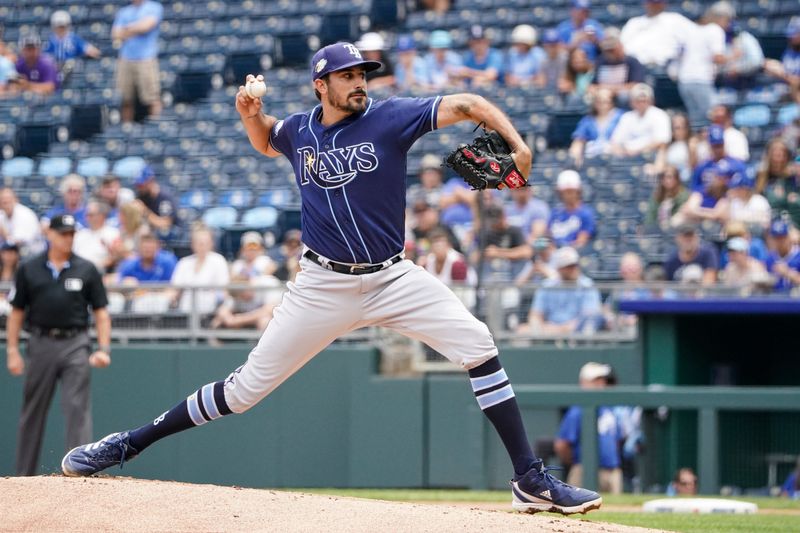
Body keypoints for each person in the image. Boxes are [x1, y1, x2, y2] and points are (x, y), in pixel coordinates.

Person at [61, 41, 602, 515]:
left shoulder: (391, 118)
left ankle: (529, 479)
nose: (359, 82)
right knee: (245, 391)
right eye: (348, 76)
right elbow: (265, 138)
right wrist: (249, 113)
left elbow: (467, 105)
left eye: (363, 74)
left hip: (394, 277)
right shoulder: (299, 130)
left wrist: (517, 141)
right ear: (322, 84)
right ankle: (125, 445)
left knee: (479, 343)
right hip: (321, 285)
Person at [6, 214, 111, 476]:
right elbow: (17, 312)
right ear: (50, 234)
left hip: (75, 342)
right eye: (63, 233)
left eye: (71, 233)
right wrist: (11, 351)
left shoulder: (86, 268)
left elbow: (101, 313)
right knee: (32, 411)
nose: (68, 238)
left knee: (77, 409)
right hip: (40, 342)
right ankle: (23, 477)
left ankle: (78, 472)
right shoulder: (29, 268)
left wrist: (103, 348)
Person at [554, 362, 623, 494]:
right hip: (584, 471)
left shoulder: (609, 409)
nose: (601, 384)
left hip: (612, 470)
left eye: (602, 380)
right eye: (596, 380)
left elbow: (617, 440)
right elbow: (562, 445)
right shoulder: (577, 411)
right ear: (584, 382)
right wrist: (577, 464)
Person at [521, 247, 603, 335]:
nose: (573, 269)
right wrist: (539, 327)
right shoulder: (547, 286)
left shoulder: (587, 285)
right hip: (548, 332)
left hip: (576, 334)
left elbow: (588, 316)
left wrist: (558, 329)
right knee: (522, 331)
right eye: (568, 266)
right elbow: (535, 315)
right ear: (559, 269)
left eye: (575, 265)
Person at [678, 125, 747, 224]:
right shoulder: (702, 166)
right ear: (709, 145)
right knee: (680, 217)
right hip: (704, 202)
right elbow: (695, 191)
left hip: (725, 202)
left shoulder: (737, 164)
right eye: (715, 146)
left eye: (720, 145)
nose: (718, 149)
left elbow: (742, 189)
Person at [212, 232, 281, 332]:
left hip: (275, 317)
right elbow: (223, 309)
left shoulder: (266, 281)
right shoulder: (238, 266)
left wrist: (240, 319)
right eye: (248, 247)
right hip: (246, 314)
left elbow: (268, 310)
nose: (251, 251)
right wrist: (229, 319)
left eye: (254, 247)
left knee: (264, 321)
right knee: (217, 322)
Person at [112, 0, 164, 122]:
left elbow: (146, 26)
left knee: (152, 99)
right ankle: (126, 129)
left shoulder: (154, 7)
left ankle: (156, 128)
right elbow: (115, 34)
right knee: (125, 99)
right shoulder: (124, 11)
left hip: (146, 59)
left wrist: (127, 29)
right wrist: (136, 28)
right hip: (126, 59)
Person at [674, 8, 726, 130]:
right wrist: (735, 56)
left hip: (684, 81)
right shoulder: (714, 29)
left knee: (696, 121)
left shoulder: (689, 30)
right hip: (700, 80)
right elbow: (718, 57)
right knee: (714, 116)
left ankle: (697, 145)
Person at [166, 224, 230, 315]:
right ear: (192, 244)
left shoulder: (218, 260)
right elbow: (175, 288)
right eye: (199, 243)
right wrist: (168, 298)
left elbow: (223, 291)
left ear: (211, 243)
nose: (202, 246)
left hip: (210, 311)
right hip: (185, 311)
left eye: (205, 242)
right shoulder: (184, 262)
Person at [619, 0, 695, 69]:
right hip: (636, 68)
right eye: (651, 2)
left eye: (657, 3)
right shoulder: (634, 22)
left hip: (665, 70)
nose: (653, 5)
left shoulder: (675, 19)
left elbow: (695, 37)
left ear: (664, 3)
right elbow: (622, 47)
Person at [609, 83, 671, 158]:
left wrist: (637, 151)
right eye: (638, 101)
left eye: (644, 100)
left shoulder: (660, 115)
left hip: (650, 156)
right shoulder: (626, 117)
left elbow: (662, 141)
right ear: (631, 102)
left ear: (652, 101)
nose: (641, 103)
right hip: (626, 156)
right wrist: (621, 151)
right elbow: (615, 141)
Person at [711, 1, 764, 90]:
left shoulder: (745, 38)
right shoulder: (715, 39)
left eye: (724, 19)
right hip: (723, 86)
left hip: (748, 83)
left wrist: (739, 69)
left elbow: (757, 61)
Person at [473, 204, 533, 280]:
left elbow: (527, 252)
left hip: (513, 277)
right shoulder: (487, 234)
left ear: (503, 216)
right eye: (493, 220)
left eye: (497, 219)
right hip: (491, 277)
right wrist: (485, 254)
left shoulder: (514, 231)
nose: (495, 223)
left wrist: (499, 253)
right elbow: (474, 258)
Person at [569, 87, 624, 167]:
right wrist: (575, 157)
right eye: (599, 101)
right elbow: (578, 141)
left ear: (612, 102)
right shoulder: (588, 120)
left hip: (615, 157)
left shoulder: (621, 116)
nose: (602, 104)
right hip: (592, 157)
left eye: (605, 101)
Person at [588, 28, 645, 104]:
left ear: (620, 46)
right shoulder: (600, 61)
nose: (610, 53)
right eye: (607, 50)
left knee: (624, 97)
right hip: (602, 95)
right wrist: (596, 92)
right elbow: (592, 85)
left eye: (612, 49)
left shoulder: (632, 62)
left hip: (622, 95)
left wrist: (611, 90)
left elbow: (635, 85)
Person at [548, 170, 596, 249]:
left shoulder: (585, 213)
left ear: (578, 192)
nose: (568, 195)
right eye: (565, 192)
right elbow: (547, 237)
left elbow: (581, 241)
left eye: (571, 191)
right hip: (554, 254)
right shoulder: (555, 213)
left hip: (574, 254)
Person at [73, 200, 120, 274]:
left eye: (91, 215)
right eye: (86, 215)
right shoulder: (80, 234)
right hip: (76, 270)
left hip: (98, 273)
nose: (87, 218)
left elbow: (115, 258)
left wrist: (93, 268)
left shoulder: (113, 233)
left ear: (102, 216)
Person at [132, 165, 177, 239]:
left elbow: (165, 224)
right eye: (138, 185)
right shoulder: (141, 196)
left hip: (167, 238)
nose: (139, 188)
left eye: (141, 185)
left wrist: (145, 211)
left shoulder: (164, 197)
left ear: (151, 181)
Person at [764, 17, 800, 103]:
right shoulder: (789, 51)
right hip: (788, 89)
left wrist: (785, 76)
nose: (791, 37)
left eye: (795, 34)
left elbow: (796, 81)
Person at [0, 188, 43, 257]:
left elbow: (15, 243)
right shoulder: (2, 214)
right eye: (4, 202)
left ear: (16, 200)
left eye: (9, 201)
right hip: (16, 254)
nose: (7, 205)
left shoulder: (24, 215)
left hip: (33, 254)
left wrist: (3, 232)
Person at [645, 166, 690, 230]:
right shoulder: (657, 195)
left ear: (676, 179)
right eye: (663, 177)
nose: (666, 180)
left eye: (669, 177)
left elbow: (680, 218)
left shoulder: (684, 195)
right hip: (657, 230)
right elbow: (650, 216)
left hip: (675, 230)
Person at [765, 219, 800, 292]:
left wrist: (788, 273)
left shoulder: (798, 255)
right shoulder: (770, 258)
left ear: (788, 237)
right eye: (776, 238)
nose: (780, 242)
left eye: (782, 238)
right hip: (775, 299)